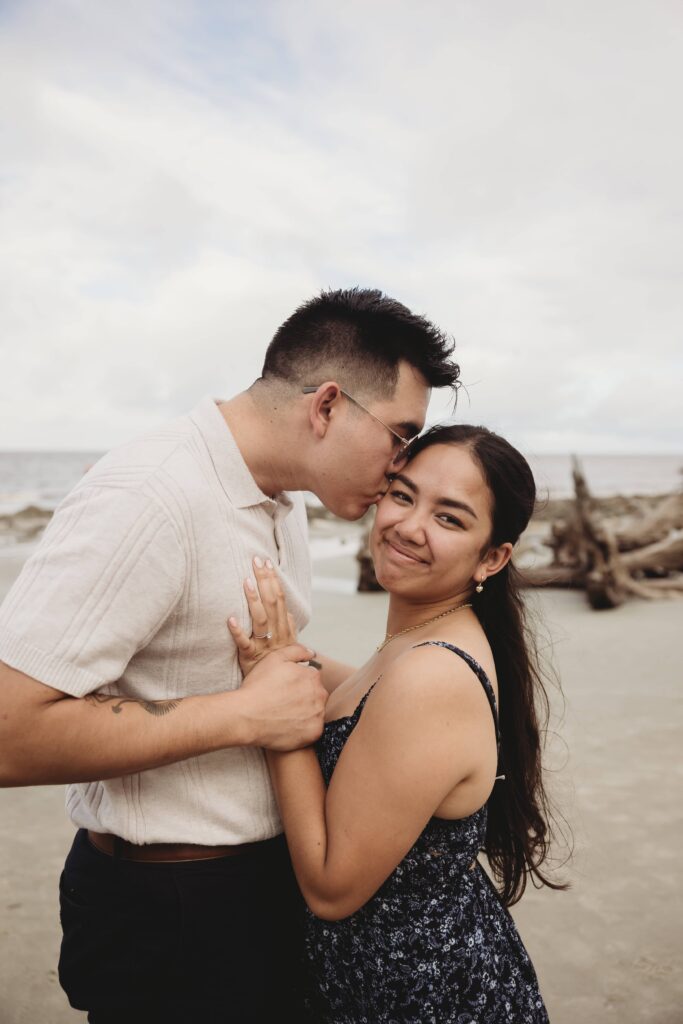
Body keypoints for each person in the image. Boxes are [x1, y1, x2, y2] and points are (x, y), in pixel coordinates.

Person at [0, 288, 459, 1024]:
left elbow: (280, 672)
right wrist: (244, 716)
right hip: (169, 905)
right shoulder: (149, 496)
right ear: (328, 407)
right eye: (400, 435)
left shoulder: (283, 494)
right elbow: (7, 731)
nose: (402, 464)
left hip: (262, 886)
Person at [231, 423, 564, 1024]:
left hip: (422, 997)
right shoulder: (423, 642)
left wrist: (275, 719)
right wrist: (288, 656)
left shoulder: (431, 676)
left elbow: (332, 890)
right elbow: (365, 695)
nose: (408, 526)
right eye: (404, 495)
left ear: (492, 557)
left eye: (450, 518)